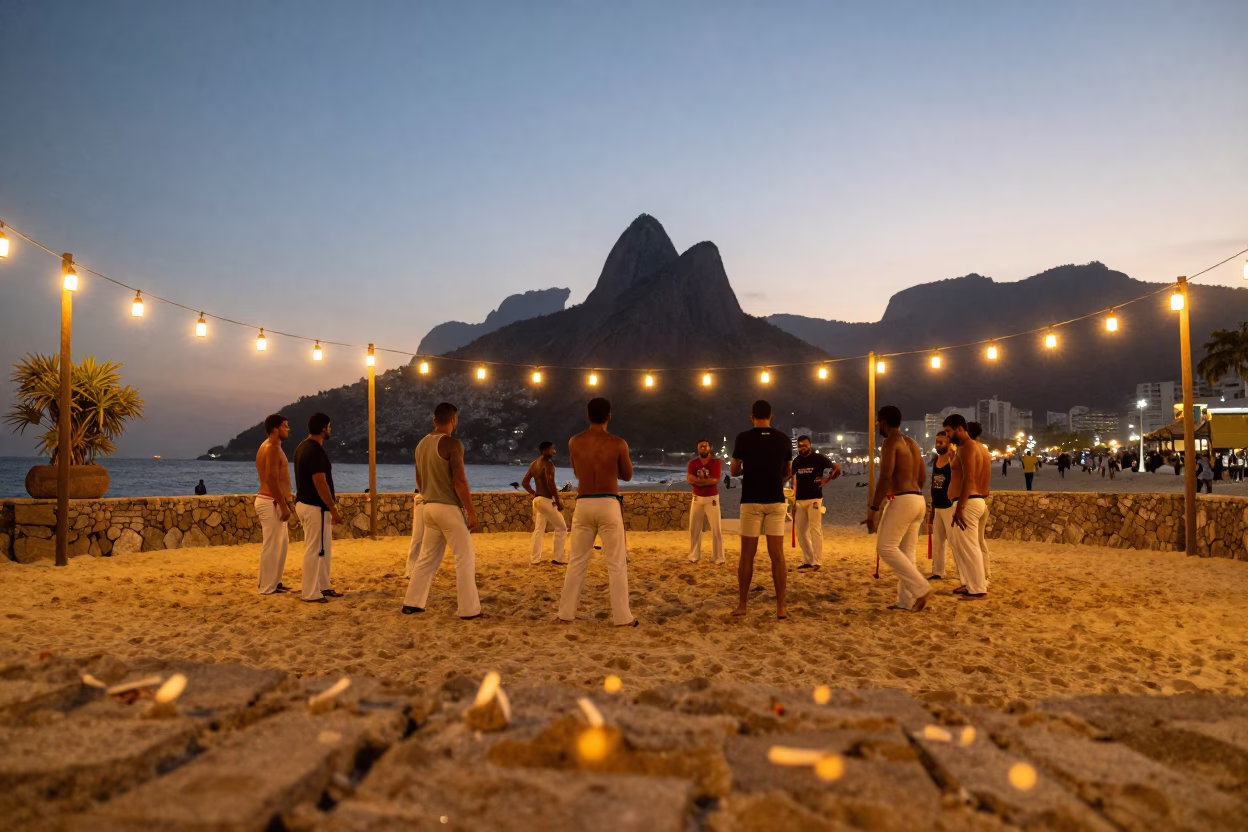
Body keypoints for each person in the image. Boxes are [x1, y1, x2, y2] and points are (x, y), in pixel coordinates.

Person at [556, 398, 637, 627]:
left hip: (584, 502)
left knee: (577, 562)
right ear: (609, 416)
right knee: (616, 563)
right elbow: (627, 475)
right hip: (608, 502)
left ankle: (565, 614)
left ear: (587, 415)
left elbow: (577, 469)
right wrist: (611, 467)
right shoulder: (618, 443)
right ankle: (622, 617)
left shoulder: (574, 442)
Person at [404, 402, 484, 619]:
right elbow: (459, 480)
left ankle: (412, 602)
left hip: (427, 507)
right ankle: (469, 609)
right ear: (453, 420)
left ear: (434, 420)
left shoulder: (420, 445)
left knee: (427, 557)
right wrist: (471, 510)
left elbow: (419, 479)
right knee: (464, 556)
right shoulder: (452, 444)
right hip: (447, 508)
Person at [863, 406, 929, 612]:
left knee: (885, 547)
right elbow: (922, 476)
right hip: (918, 498)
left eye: (877, 423)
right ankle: (905, 601)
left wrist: (873, 508)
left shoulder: (890, 442)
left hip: (903, 500)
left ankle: (921, 588)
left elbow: (885, 476)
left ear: (883, 421)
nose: (877, 427)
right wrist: (914, 493)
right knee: (906, 552)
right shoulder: (913, 444)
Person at [731, 400, 792, 619]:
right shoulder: (784, 439)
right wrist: (774, 477)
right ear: (771, 416)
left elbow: (735, 470)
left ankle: (742, 605)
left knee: (748, 554)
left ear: (752, 416)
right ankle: (781, 607)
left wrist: (750, 469)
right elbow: (787, 472)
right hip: (775, 499)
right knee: (777, 555)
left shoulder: (742, 438)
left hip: (751, 499)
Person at [293, 412, 341, 603]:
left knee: (323, 549)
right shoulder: (316, 451)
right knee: (314, 549)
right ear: (323, 428)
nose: (330, 429)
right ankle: (310, 592)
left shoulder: (301, 448)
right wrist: (332, 507)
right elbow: (319, 481)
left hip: (304, 504)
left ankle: (323, 585)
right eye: (329, 426)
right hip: (315, 507)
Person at [943, 413, 989, 600]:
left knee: (970, 547)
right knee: (963, 546)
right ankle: (970, 584)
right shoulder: (978, 448)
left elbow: (969, 479)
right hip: (974, 499)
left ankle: (978, 588)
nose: (947, 436)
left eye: (948, 431)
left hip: (968, 502)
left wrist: (960, 508)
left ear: (959, 429)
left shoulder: (966, 447)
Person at [254, 414, 292, 596]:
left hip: (274, 500)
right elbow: (271, 479)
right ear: (276, 429)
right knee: (271, 545)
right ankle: (265, 587)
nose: (288, 429)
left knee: (281, 545)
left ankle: (274, 582)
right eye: (285, 426)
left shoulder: (273, 447)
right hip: (271, 501)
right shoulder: (271, 448)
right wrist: (283, 505)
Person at [790, 435, 840, 571]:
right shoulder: (796, 461)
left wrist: (826, 480)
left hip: (814, 499)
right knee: (801, 532)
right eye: (800, 445)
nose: (802, 448)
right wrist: (793, 501)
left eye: (804, 445)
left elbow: (837, 468)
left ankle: (817, 561)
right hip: (800, 500)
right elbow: (793, 480)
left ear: (810, 445)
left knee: (815, 529)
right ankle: (808, 559)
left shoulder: (819, 459)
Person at [522, 441, 567, 565]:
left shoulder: (533, 464)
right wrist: (557, 501)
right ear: (545, 450)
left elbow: (525, 483)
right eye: (552, 449)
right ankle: (558, 558)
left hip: (537, 500)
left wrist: (534, 493)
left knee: (539, 530)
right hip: (546, 500)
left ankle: (534, 559)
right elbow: (550, 483)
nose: (554, 451)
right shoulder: (548, 465)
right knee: (562, 528)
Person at [687, 439, 724, 564]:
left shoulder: (715, 463)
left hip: (712, 499)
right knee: (694, 528)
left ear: (710, 448)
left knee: (716, 528)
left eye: (705, 446)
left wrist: (698, 481)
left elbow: (716, 480)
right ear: (698, 449)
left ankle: (718, 557)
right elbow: (689, 479)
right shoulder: (693, 463)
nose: (703, 449)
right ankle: (694, 555)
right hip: (696, 498)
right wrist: (705, 481)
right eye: (700, 447)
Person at [927, 430, 954, 581]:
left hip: (949, 506)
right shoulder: (936, 461)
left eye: (941, 442)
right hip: (937, 506)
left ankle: (962, 573)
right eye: (936, 441)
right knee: (938, 542)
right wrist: (931, 508)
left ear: (949, 443)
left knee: (954, 542)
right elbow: (933, 484)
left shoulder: (952, 460)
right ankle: (938, 571)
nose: (937, 444)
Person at [404, 487, 425, 579]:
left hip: (435, 500)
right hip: (424, 500)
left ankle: (414, 569)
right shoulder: (419, 498)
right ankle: (411, 570)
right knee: (417, 539)